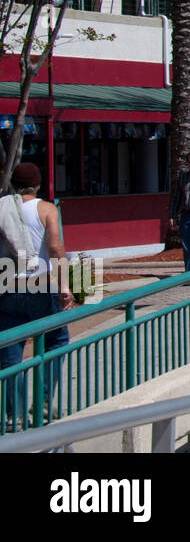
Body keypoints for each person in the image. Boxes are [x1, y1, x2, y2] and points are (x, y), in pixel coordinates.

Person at [0, 162, 73, 429]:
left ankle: (15, 415)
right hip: (41, 285)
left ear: (14, 185)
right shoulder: (46, 209)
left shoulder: (3, 207)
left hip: (7, 286)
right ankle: (42, 402)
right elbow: (55, 248)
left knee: (10, 349)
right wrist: (66, 287)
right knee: (56, 339)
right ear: (38, 184)